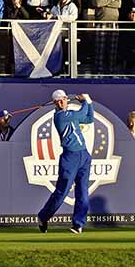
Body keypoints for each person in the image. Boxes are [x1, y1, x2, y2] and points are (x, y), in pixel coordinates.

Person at [37, 90, 94, 235]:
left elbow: (89, 119)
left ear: (66, 100)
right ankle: (43, 217)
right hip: (70, 157)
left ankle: (78, 224)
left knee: (83, 192)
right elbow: (81, 114)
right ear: (55, 104)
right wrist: (85, 101)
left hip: (84, 155)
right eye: (58, 101)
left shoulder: (70, 115)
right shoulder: (60, 116)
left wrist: (90, 103)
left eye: (63, 99)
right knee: (62, 192)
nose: (61, 103)